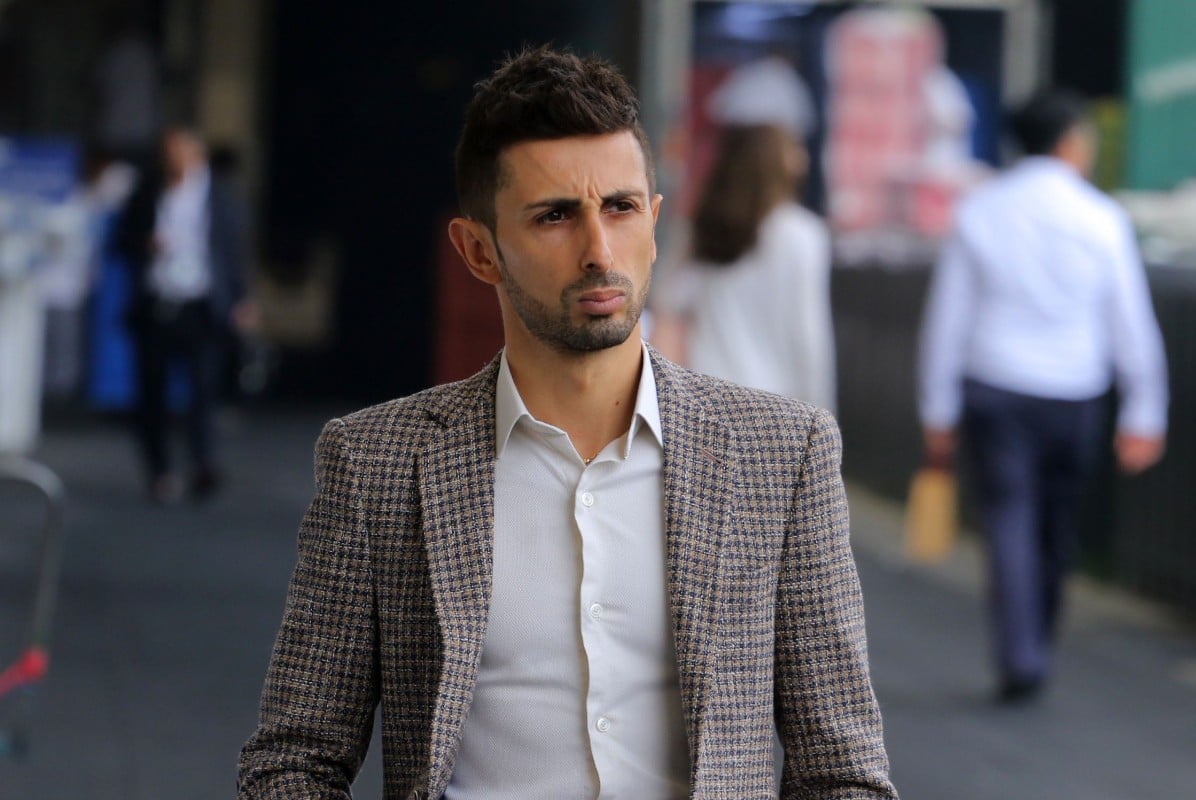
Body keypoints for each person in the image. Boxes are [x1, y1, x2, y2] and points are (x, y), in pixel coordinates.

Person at [238, 46, 896, 799]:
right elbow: (292, 761)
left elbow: (842, 774)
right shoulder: (377, 464)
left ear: (653, 222)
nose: (597, 250)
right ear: (478, 251)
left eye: (619, 208)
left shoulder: (782, 455)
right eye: (555, 216)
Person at [917, 88, 1168, 703]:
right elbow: (1130, 321)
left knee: (1009, 518)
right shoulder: (1102, 218)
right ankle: (1038, 634)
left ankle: (1019, 649)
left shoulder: (981, 210)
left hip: (994, 386)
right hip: (1075, 393)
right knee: (1058, 525)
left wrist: (937, 409)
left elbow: (948, 319)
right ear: (1069, 142)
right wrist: (1144, 411)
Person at [654, 57, 835, 411]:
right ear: (779, 154)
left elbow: (667, 313)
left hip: (705, 414)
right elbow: (810, 345)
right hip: (774, 422)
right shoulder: (803, 236)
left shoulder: (701, 229)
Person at [117, 126, 251, 502]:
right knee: (152, 393)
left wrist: (242, 299)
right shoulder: (146, 192)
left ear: (197, 157)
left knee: (202, 390)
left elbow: (235, 251)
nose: (172, 162)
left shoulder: (220, 196)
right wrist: (145, 243)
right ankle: (159, 470)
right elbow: (120, 242)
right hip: (157, 304)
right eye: (167, 154)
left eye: (180, 154)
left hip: (202, 306)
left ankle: (203, 462)